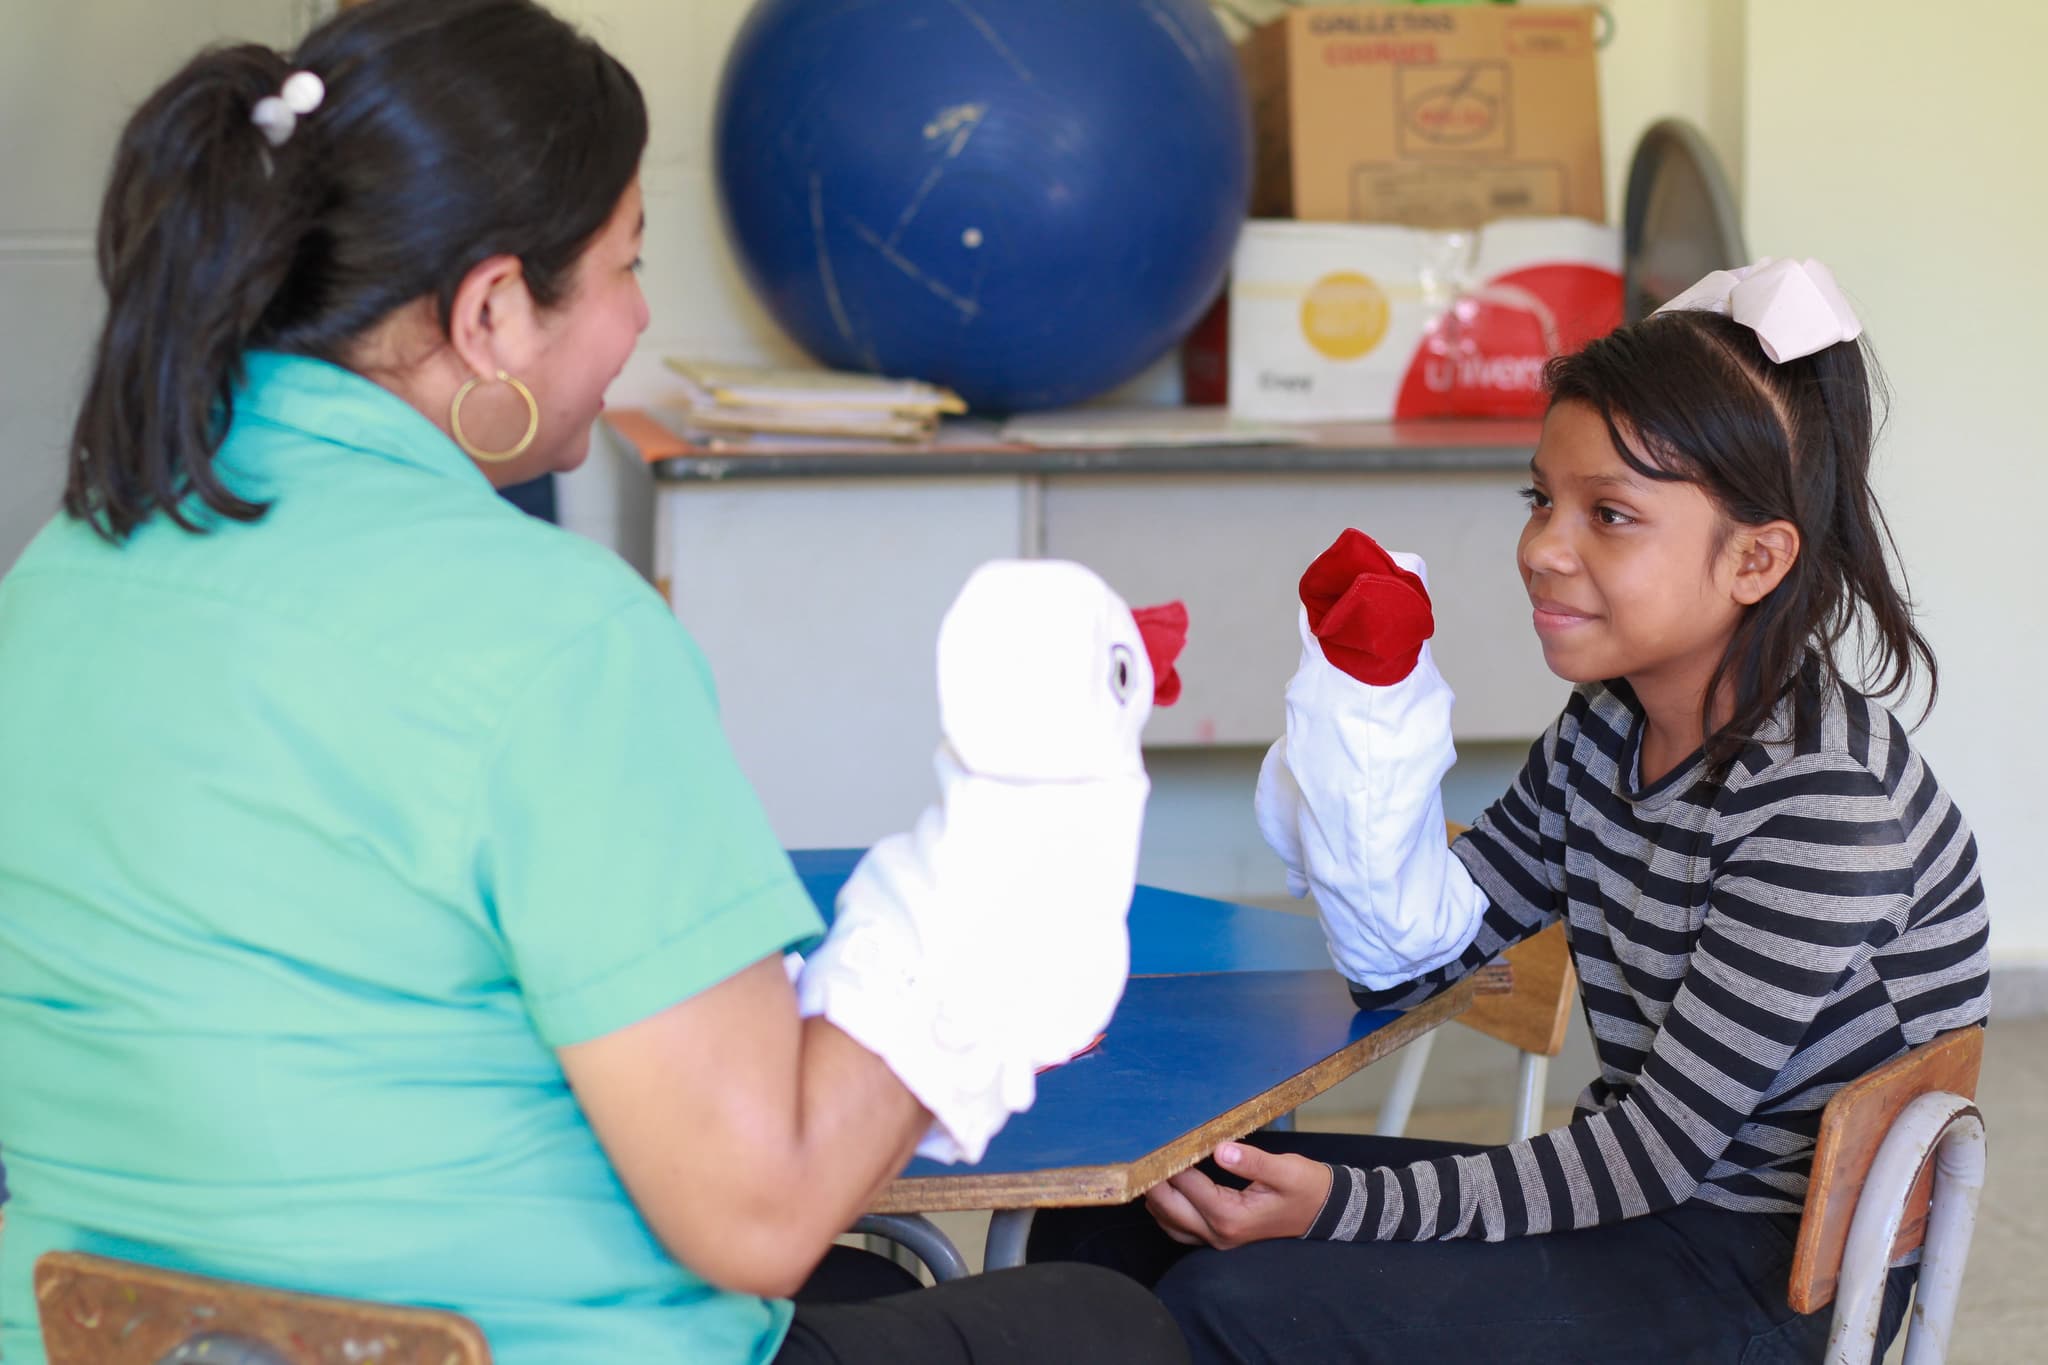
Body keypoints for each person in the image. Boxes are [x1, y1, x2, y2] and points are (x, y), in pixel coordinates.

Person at [0, 2, 1190, 1362]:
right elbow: (760, 1211)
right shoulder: (550, 632)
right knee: (1102, 1323)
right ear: (495, 308)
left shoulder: (60, 577)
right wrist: (1007, 854)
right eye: (626, 263)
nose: (636, 319)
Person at [1028, 259, 1990, 1363]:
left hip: (1763, 1280)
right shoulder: (1605, 729)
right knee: (1117, 1215)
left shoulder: (1821, 803)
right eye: (1540, 497)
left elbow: (1657, 1153)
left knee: (1236, 1309)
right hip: (1638, 1213)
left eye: (1609, 515)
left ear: (1755, 558)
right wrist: (1355, 770)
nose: (1542, 548)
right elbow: (1421, 966)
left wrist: (1332, 1209)